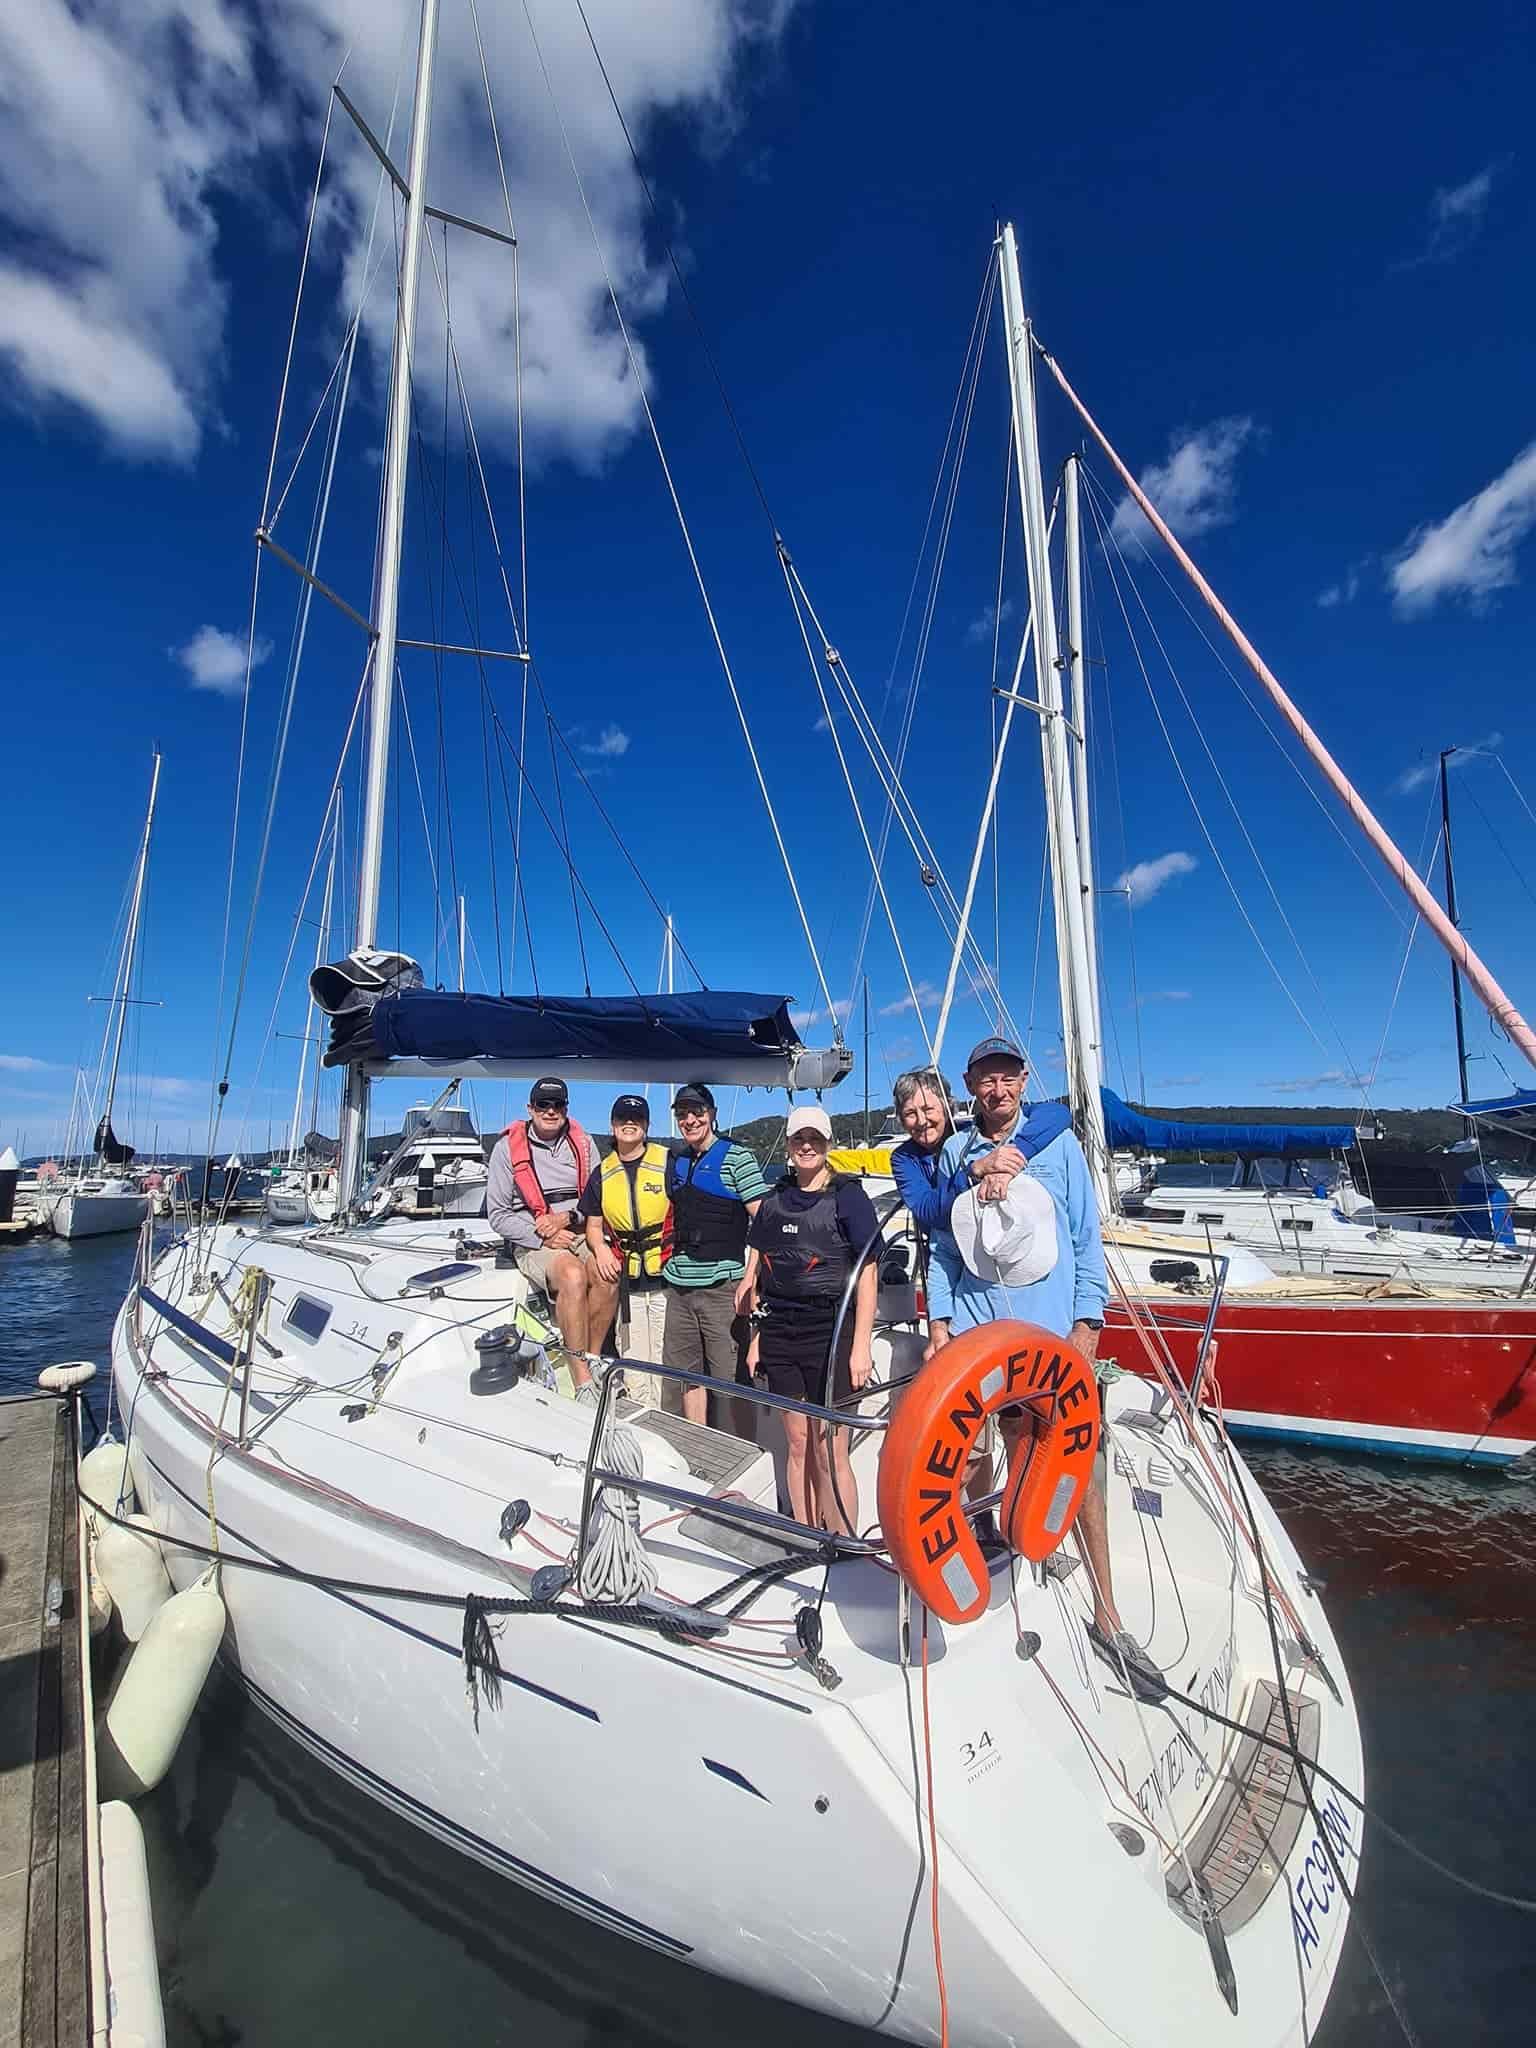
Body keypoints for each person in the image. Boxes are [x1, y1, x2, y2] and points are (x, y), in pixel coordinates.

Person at [926, 1035, 1164, 1701]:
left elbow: (1088, 1241)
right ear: (969, 1085)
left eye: (1007, 1078)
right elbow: (944, 1247)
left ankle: (1108, 1611)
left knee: (1081, 1465)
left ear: (1024, 1080)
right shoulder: (953, 1153)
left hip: (1055, 1339)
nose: (996, 1091)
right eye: (984, 1080)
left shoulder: (1059, 1146)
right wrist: (940, 1318)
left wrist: (1088, 1323)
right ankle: (1031, 1542)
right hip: (983, 1335)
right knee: (1013, 1441)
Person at [738, 1106, 880, 1533]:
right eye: (799, 1139)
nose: (806, 1146)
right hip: (781, 1331)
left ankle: (842, 1539)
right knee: (798, 1443)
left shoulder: (849, 1198)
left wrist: (861, 1346)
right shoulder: (774, 1201)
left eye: (815, 1139)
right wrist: (758, 1338)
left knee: (829, 1449)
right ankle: (805, 1535)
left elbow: (867, 1273)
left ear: (827, 1144)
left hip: (832, 1331)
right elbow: (761, 1268)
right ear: (788, 1145)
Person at [487, 1077, 617, 1388]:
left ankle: (593, 1358)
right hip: (532, 1236)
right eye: (543, 1105)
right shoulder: (506, 1150)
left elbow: (599, 1199)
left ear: (566, 1109)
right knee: (572, 1275)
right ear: (530, 1109)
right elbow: (498, 1215)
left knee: (608, 1271)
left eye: (557, 1104)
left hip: (578, 1228)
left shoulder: (583, 1145)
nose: (550, 1111)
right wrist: (540, 1234)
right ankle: (582, 1379)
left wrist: (567, 1218)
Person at [662, 1081, 769, 1430]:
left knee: (731, 1381)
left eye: (698, 1112)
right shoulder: (677, 1161)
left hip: (722, 1287)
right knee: (688, 1376)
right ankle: (697, 1442)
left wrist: (750, 1279)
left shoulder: (737, 1158)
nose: (690, 1119)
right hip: (679, 1288)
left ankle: (744, 1446)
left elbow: (765, 1223)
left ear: (712, 1115)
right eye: (683, 1114)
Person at [579, 1095, 671, 1409]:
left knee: (664, 1358)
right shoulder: (602, 1174)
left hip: (665, 1281)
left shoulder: (668, 1163)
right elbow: (593, 1226)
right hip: (628, 1284)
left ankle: (668, 1424)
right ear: (612, 1125)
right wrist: (601, 1249)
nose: (628, 1124)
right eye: (622, 1119)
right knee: (633, 1362)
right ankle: (642, 1421)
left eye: (636, 1119)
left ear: (646, 1125)